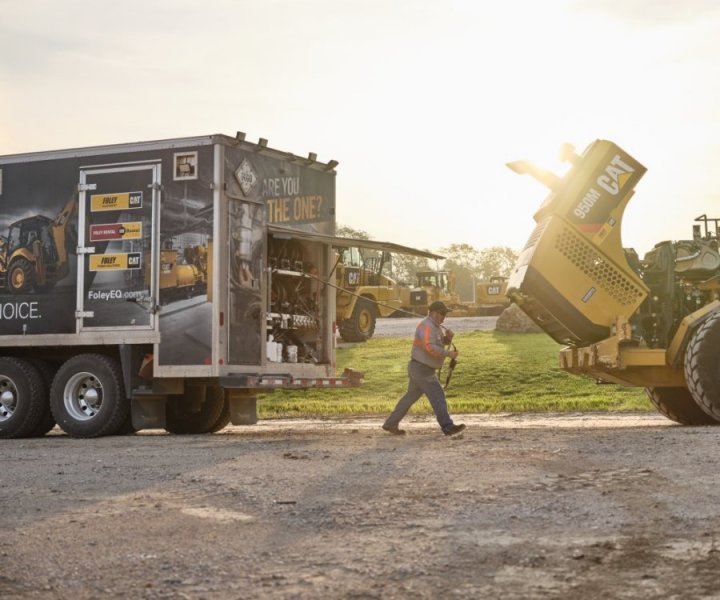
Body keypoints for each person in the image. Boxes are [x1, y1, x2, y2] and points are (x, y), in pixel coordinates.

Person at [382, 301, 466, 436]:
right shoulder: (426, 326)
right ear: (433, 313)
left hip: (419, 368)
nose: (444, 317)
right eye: (442, 314)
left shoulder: (435, 326)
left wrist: (447, 339)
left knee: (409, 398)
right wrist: (448, 353)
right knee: (438, 396)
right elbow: (429, 347)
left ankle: (390, 424)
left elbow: (436, 343)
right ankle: (448, 426)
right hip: (422, 369)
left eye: (445, 314)